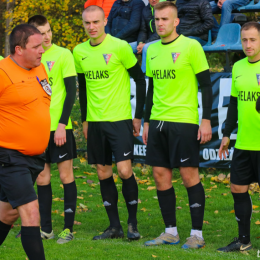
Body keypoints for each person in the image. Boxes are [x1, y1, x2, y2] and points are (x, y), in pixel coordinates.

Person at [142, 1, 212, 249]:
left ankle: (197, 235)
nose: (160, 23)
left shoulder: (191, 46)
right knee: (160, 175)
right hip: (158, 121)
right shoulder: (150, 50)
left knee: (188, 175)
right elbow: (151, 89)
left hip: (183, 121)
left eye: (164, 19)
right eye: (156, 19)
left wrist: (206, 120)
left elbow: (206, 84)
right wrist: (147, 121)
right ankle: (170, 232)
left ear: (176, 22)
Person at [73, 5, 146, 240]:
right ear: (83, 24)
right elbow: (83, 88)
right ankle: (114, 226)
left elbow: (140, 80)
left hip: (119, 119)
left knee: (125, 171)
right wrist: (85, 120)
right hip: (95, 122)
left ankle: (133, 224)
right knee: (103, 172)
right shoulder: (79, 51)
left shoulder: (120, 47)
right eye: (87, 23)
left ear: (105, 21)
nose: (91, 27)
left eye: (96, 22)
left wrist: (137, 116)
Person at [0, 24, 50, 260]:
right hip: (10, 157)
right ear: (19, 49)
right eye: (37, 46)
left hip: (34, 158)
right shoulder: (2, 72)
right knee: (31, 212)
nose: (43, 49)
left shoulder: (40, 69)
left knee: (8, 214)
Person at [28, 15, 77, 244]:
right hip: (36, 129)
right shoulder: (29, 58)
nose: (46, 36)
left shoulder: (64, 54)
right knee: (42, 179)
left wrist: (61, 125)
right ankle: (45, 229)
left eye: (48, 31)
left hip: (59, 129)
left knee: (66, 176)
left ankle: (68, 229)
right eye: (41, 32)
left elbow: (70, 93)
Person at [218, 21, 260, 253]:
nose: (248, 44)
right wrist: (226, 133)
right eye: (244, 40)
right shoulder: (238, 67)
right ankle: (243, 240)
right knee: (237, 188)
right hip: (243, 142)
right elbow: (234, 103)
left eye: (253, 39)